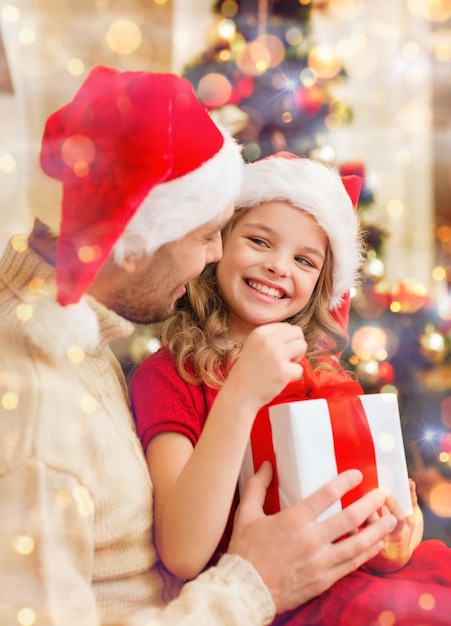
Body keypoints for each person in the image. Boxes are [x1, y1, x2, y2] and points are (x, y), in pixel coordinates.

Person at [0, 66, 397, 626]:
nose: (214, 255)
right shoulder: (40, 411)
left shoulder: (80, 346)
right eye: (210, 234)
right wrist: (253, 586)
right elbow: (184, 551)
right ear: (138, 244)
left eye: (306, 260)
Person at [131, 153, 451, 624]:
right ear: (217, 243)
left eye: (304, 259)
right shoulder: (169, 376)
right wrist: (242, 392)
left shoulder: (322, 376)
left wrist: (394, 539)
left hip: (350, 583)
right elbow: (183, 552)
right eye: (259, 240)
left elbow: (365, 514)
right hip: (260, 601)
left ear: (321, 285)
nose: (279, 267)